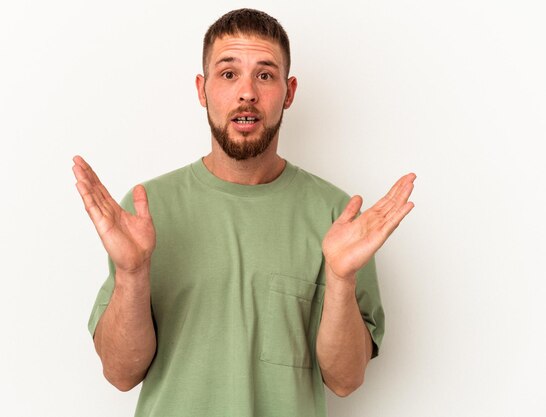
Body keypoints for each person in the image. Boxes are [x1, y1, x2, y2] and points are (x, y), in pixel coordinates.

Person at [72, 8, 415, 417]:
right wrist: (131, 273)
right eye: (229, 74)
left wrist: (340, 279)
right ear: (202, 89)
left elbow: (345, 380)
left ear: (289, 93)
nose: (247, 92)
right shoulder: (146, 211)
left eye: (265, 75)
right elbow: (120, 373)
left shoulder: (339, 218)